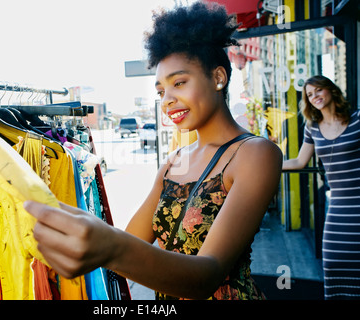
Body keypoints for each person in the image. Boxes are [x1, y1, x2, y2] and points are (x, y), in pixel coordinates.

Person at [24, 2, 282, 300]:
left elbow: (207, 275)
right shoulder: (175, 163)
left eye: (179, 83)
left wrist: (111, 247)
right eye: (161, 91)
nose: (168, 99)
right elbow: (133, 240)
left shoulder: (256, 153)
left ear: (218, 78)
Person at [283, 75, 360, 299]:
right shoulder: (313, 128)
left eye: (318, 90)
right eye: (309, 94)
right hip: (337, 206)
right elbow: (299, 162)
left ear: (330, 90)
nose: (314, 96)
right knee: (333, 261)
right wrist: (266, 164)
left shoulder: (356, 119)